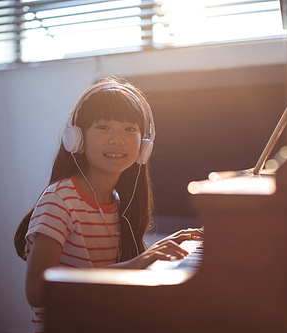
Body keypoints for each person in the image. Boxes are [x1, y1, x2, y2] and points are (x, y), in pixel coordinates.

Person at [13, 77, 203, 333]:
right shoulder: (59, 199)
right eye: (103, 127)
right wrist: (138, 263)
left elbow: (109, 278)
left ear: (144, 145)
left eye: (129, 129)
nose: (117, 139)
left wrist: (152, 254)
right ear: (76, 140)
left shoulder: (115, 202)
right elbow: (37, 291)